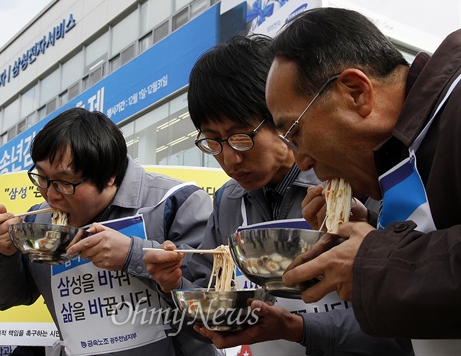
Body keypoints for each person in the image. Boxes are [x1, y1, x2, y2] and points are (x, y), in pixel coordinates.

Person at [202, 7, 461, 350]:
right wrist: (369, 227)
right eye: (212, 142)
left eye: (295, 133)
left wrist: (373, 262)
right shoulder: (405, 155)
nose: (302, 159)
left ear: (356, 93)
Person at [143, 34, 413, 355]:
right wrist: (174, 283)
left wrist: (299, 329)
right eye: (212, 142)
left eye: (241, 137)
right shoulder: (229, 201)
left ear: (281, 117)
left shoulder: (351, 182)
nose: (230, 160)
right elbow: (215, 306)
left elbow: (406, 312)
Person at [0, 107, 221, 356]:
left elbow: (215, 314)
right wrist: (2, 253)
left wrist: (133, 256)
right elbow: (5, 298)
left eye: (65, 183)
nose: (51, 194)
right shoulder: (41, 221)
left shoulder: (173, 203)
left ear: (110, 176)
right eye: (42, 177)